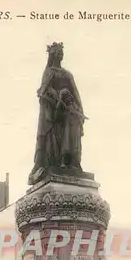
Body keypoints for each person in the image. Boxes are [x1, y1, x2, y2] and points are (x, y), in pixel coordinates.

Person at [28, 42, 86, 185]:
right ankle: (53, 163)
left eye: (62, 53)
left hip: (68, 112)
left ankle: (70, 162)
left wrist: (79, 110)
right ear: (53, 55)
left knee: (71, 127)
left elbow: (76, 93)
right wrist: (58, 96)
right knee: (54, 140)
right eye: (58, 53)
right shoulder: (49, 72)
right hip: (53, 113)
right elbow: (43, 91)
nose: (60, 55)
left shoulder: (68, 74)